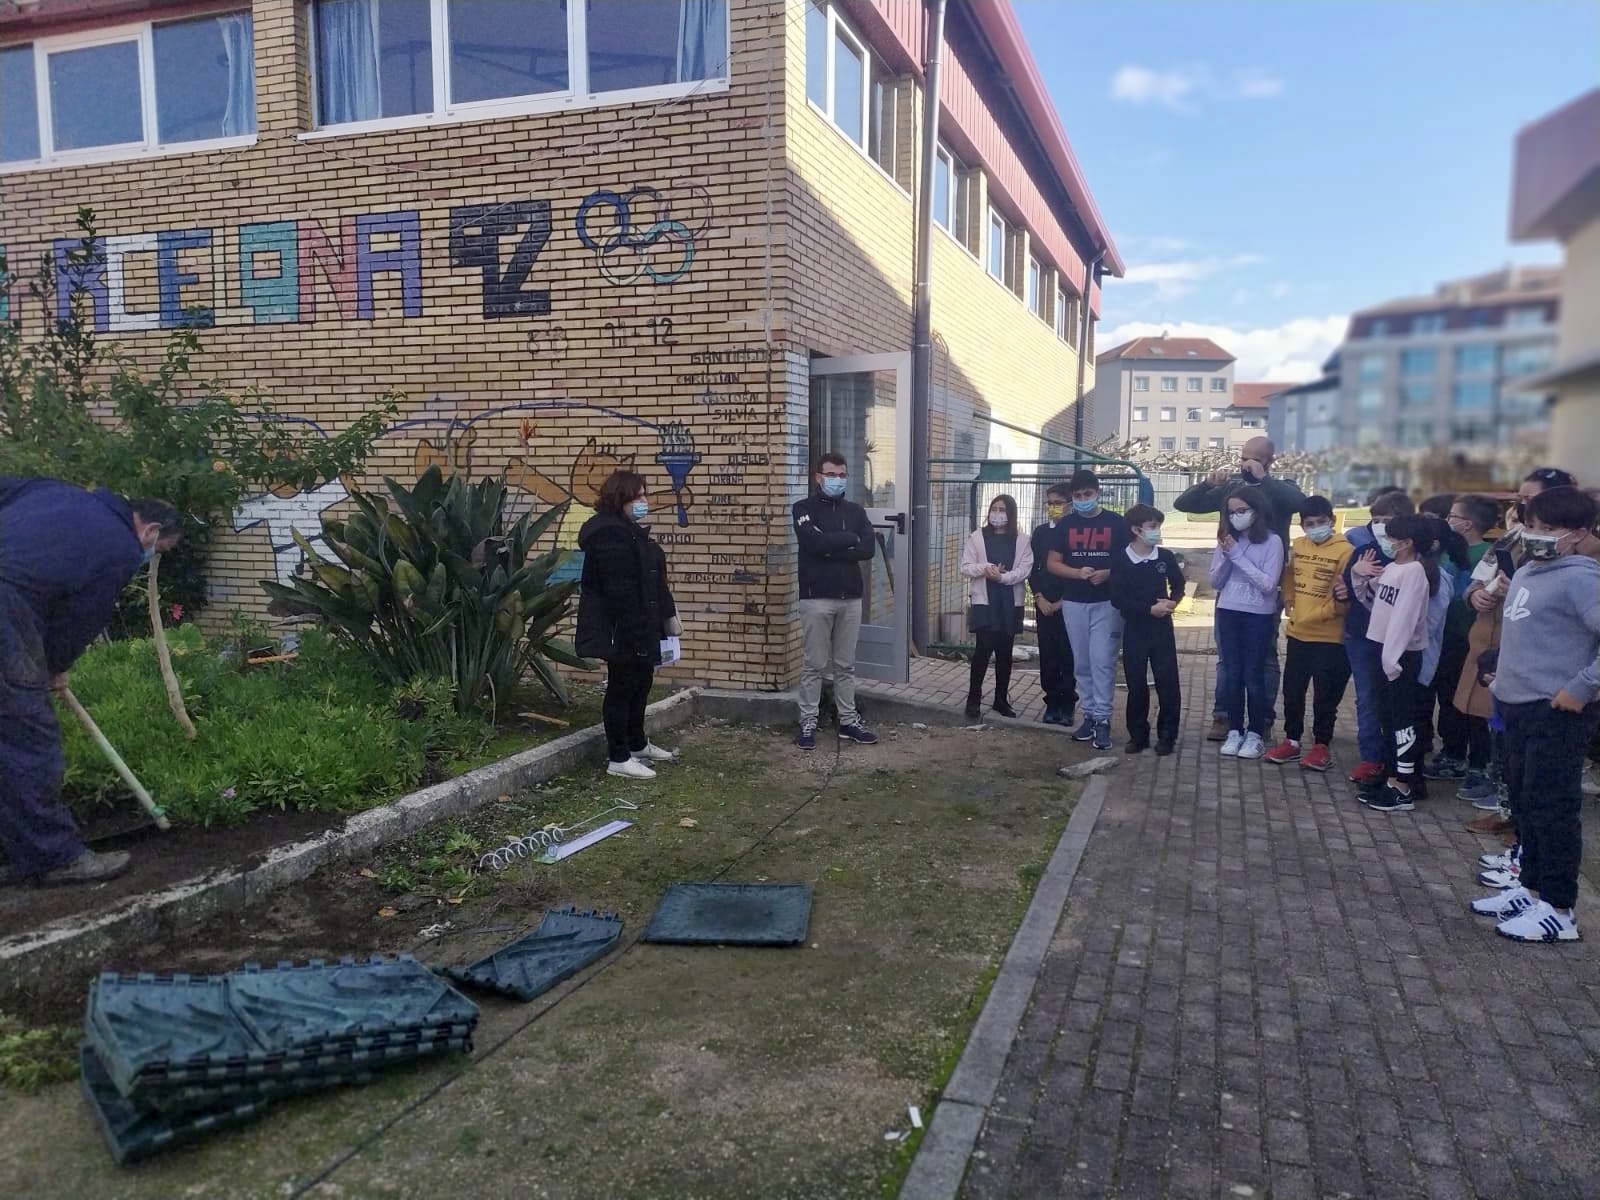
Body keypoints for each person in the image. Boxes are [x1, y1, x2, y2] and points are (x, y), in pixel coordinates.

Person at [0, 478, 181, 886]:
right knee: (26, 741)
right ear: (150, 531)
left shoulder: (50, 490)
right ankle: (54, 857)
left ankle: (26, 853)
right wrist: (54, 667)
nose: (150, 554)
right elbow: (81, 618)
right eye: (158, 549)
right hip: (7, 611)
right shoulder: (118, 548)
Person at [1469, 486, 1600, 943]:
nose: (1536, 536)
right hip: (1515, 706)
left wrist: (1582, 686)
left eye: (1550, 529)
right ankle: (1531, 887)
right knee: (1524, 803)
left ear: (1580, 534)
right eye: (1532, 525)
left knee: (1552, 809)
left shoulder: (1582, 579)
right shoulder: (1529, 570)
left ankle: (1560, 909)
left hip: (1555, 711)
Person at [1461, 468, 1576, 837]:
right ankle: (1506, 806)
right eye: (1521, 499)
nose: (1522, 507)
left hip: (1541, 668)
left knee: (1533, 761)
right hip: (1493, 642)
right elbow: (1480, 575)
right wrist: (1475, 593)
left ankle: (1520, 829)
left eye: (1531, 499)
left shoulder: (1580, 552)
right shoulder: (1512, 536)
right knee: (1501, 735)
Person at [1173, 437, 1305, 741]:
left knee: (1266, 656)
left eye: (1255, 459)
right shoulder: (1231, 488)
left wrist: (1264, 480)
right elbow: (1184, 504)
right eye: (1244, 457)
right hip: (1230, 586)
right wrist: (1206, 484)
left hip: (1265, 588)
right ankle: (1224, 716)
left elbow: (1300, 504)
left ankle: (1264, 718)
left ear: (1269, 461)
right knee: (1227, 657)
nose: (1246, 463)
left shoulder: (1279, 488)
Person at [576, 471, 681, 780]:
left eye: (645, 496)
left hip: (643, 626)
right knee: (622, 688)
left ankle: (637, 743)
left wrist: (665, 617)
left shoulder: (629, 531)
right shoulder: (608, 535)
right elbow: (619, 590)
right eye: (638, 497)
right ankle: (618, 757)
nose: (644, 502)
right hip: (622, 629)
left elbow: (650, 580)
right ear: (620, 498)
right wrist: (636, 632)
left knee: (641, 684)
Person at [791, 453, 878, 750]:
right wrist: (848, 539)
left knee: (845, 666)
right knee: (814, 664)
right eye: (831, 474)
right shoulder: (803, 508)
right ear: (818, 476)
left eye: (842, 475)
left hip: (850, 598)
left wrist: (833, 543)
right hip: (816, 599)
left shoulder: (855, 510)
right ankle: (807, 722)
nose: (837, 480)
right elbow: (812, 543)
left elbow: (868, 549)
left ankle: (848, 721)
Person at [1357, 514, 1439, 812]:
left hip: (1400, 656)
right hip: (1382, 648)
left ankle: (1403, 785)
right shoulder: (1393, 568)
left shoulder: (1415, 572)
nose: (1387, 543)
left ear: (1407, 543)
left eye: (1392, 538)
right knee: (1387, 719)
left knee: (1402, 721)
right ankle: (1391, 776)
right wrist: (1359, 574)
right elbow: (1372, 598)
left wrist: (1392, 661)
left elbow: (1404, 620)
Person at [1334, 489, 1416, 785]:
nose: (1381, 526)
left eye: (1387, 519)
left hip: (1395, 641)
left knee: (1393, 702)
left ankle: (1398, 760)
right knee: (1367, 698)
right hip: (1361, 636)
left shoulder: (1412, 560)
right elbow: (1344, 592)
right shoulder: (1363, 551)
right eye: (1376, 520)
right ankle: (1371, 757)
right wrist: (1354, 576)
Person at [1265, 496, 1352, 772]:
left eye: (1320, 523)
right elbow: (1289, 576)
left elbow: (1342, 599)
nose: (1314, 528)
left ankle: (1321, 746)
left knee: (1325, 696)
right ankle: (1291, 741)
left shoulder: (1346, 552)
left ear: (1332, 521)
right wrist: (1289, 599)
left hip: (1329, 638)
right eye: (1308, 524)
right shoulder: (1299, 545)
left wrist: (1311, 615)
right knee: (1292, 691)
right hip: (1298, 635)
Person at [1046, 469, 1128, 751]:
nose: (1083, 500)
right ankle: (1089, 716)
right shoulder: (1066, 525)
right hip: (1074, 602)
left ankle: (1104, 719)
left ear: (1098, 492)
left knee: (1102, 661)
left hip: (1107, 602)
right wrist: (1076, 572)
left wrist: (1108, 573)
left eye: (1087, 495)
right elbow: (1053, 563)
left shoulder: (1117, 523)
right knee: (1082, 663)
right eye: (1078, 496)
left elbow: (1130, 562)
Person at [1424, 494, 1497, 790]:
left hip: (1471, 641)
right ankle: (1452, 753)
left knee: (1473, 704)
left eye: (1452, 515)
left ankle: (1478, 763)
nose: (1447, 520)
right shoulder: (1445, 550)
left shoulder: (1488, 555)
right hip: (1443, 637)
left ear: (1466, 523)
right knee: (1449, 700)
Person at [1208, 485, 1284, 760]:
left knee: (1253, 674)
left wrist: (1238, 557)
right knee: (1232, 673)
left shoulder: (1272, 542)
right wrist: (1228, 556)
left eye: (1242, 511)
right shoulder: (1227, 540)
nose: (1237, 516)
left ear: (1256, 510)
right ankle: (1234, 730)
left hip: (1258, 615)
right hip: (1229, 610)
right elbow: (1215, 581)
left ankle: (1255, 732)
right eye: (1232, 512)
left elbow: (1268, 584)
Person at [1109, 504, 1184, 755]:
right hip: (1136, 628)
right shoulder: (1122, 559)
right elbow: (1117, 598)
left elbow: (1178, 585)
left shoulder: (1165, 557)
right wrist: (1147, 609)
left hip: (1162, 629)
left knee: (1168, 683)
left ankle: (1167, 736)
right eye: (1152, 526)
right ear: (1136, 529)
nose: (1156, 531)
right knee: (1136, 684)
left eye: (1158, 526)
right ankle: (1138, 735)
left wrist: (1173, 601)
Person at [961, 494, 1033, 720]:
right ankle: (973, 700)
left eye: (1002, 510)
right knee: (982, 651)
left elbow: (1025, 570)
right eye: (994, 509)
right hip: (985, 601)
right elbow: (965, 567)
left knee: (1005, 654)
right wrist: (987, 568)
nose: (997, 514)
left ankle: (1001, 700)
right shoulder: (977, 537)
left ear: (1010, 514)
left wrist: (1003, 578)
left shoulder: (1022, 540)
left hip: (1009, 602)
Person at [1029, 483, 1078, 725]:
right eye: (1049, 503)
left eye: (1057, 503)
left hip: (1070, 602)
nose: (1053, 508)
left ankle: (1068, 704)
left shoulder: (1076, 531)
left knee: (1068, 655)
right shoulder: (1040, 533)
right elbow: (1033, 568)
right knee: (1048, 655)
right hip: (1044, 603)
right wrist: (1039, 597)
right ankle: (1052, 703)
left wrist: (1062, 601)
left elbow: (1078, 570)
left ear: (1070, 504)